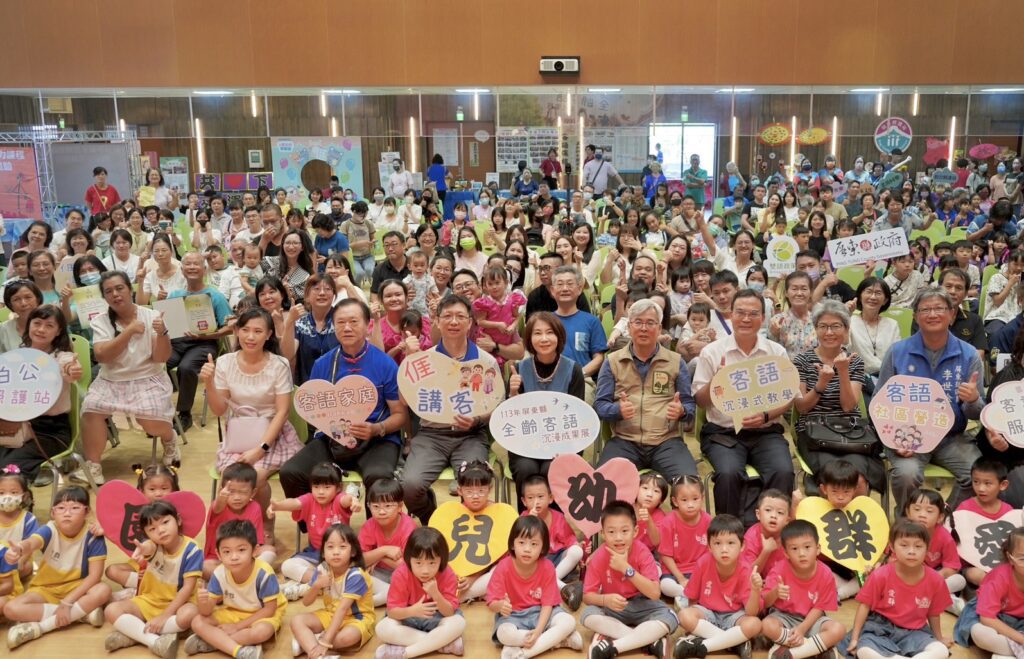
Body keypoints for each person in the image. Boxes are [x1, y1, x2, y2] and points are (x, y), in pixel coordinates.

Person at [692, 289, 796, 526]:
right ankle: (729, 533)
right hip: (724, 433)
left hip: (766, 432)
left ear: (763, 318)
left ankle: (772, 532)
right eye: (740, 313)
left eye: (753, 314)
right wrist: (716, 383)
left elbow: (789, 395)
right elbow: (700, 400)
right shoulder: (713, 352)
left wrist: (766, 415)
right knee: (728, 475)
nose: (746, 319)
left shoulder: (776, 352)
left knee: (783, 471)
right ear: (731, 315)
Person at [879, 287, 984, 511]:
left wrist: (973, 400)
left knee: (979, 474)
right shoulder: (897, 351)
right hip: (909, 437)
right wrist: (897, 440)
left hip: (951, 437)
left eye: (939, 308)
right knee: (906, 475)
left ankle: (943, 520)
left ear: (952, 314)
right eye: (925, 309)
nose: (933, 314)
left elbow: (977, 413)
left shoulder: (969, 354)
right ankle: (907, 526)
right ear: (916, 316)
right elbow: (880, 404)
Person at [400, 295, 499, 524]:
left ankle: (469, 533)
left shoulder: (485, 362)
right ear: (436, 321)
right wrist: (409, 361)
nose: (454, 322)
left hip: (470, 436)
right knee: (410, 486)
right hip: (431, 435)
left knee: (475, 485)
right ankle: (433, 520)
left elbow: (493, 406)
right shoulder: (423, 359)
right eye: (447, 316)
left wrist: (475, 420)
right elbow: (405, 402)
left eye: (460, 316)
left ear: (470, 322)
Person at [79, 271, 176, 485]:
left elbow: (161, 357)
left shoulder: (151, 316)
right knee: (91, 409)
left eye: (119, 288)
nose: (115, 294)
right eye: (108, 291)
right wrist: (129, 331)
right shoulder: (100, 321)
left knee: (151, 422)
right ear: (104, 297)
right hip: (111, 380)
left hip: (148, 378)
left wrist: (162, 334)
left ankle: (170, 439)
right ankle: (94, 465)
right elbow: (102, 356)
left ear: (130, 289)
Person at [595, 299, 697, 482]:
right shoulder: (612, 361)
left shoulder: (675, 361)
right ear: (629, 326)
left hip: (666, 442)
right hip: (625, 441)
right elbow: (600, 406)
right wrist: (617, 410)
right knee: (603, 485)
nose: (644, 328)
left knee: (689, 484)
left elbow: (689, 405)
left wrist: (682, 411)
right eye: (638, 322)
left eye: (650, 323)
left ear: (659, 328)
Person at [793, 300, 885, 494]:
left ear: (846, 329)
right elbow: (801, 407)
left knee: (858, 479)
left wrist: (842, 371)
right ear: (815, 329)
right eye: (823, 326)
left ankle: (858, 524)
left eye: (836, 326)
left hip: (850, 433)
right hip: (814, 433)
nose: (829, 333)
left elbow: (848, 406)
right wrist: (821, 383)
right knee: (833, 479)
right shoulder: (801, 360)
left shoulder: (854, 361)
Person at [3, 486, 110, 650]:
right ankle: (81, 615)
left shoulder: (93, 535)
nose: (67, 513)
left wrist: (67, 602)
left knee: (103, 590)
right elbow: (32, 542)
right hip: (45, 588)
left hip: (77, 586)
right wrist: (19, 548)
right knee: (11, 609)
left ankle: (43, 627)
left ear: (87, 511)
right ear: (53, 513)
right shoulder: (50, 529)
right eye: (61, 508)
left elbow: (94, 576)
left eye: (75, 508)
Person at [101, 501, 201, 658]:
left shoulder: (192, 549)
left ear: (178, 520)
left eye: (165, 522)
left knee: (191, 614)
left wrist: (165, 615)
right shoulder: (152, 544)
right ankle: (154, 640)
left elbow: (187, 588)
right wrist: (144, 548)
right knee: (111, 610)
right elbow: (149, 547)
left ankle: (134, 635)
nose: (160, 531)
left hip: (179, 603)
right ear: (147, 534)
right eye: (152, 529)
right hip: (149, 600)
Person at [580, 500, 677, 659]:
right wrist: (605, 600)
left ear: (635, 531)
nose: (618, 538)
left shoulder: (642, 551)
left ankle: (615, 645)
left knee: (670, 616)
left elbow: (654, 594)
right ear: (603, 533)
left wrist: (626, 569)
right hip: (613, 607)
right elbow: (587, 596)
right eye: (611, 532)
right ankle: (647, 641)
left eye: (625, 531)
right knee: (588, 616)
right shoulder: (598, 556)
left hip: (642, 603)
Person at [844, 520, 952, 659]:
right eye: (904, 545)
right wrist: (854, 639)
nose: (912, 551)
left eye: (918, 546)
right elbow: (864, 606)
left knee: (940, 650)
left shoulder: (935, 580)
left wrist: (939, 638)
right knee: (864, 650)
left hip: (915, 631)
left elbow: (933, 613)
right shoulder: (880, 575)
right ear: (892, 547)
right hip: (880, 628)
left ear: (927, 548)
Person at [506, 312, 585, 500]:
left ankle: (556, 524)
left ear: (559, 336)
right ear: (529, 339)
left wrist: (567, 449)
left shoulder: (573, 370)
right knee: (527, 469)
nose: (544, 339)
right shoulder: (518, 369)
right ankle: (526, 524)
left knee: (554, 468)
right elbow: (509, 419)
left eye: (549, 333)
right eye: (537, 333)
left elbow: (578, 417)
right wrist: (513, 394)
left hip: (563, 441)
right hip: (525, 443)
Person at [0, 306, 81, 482]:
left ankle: (17, 504)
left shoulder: (62, 357)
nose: (41, 329)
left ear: (59, 331)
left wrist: (72, 371)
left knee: (8, 470)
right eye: (37, 323)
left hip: (51, 432)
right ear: (29, 325)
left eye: (49, 325)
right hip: (16, 426)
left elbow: (70, 371)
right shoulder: (17, 357)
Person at [186, 519, 285, 659]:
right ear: (219, 554)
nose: (234, 557)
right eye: (226, 552)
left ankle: (213, 642)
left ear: (255, 550)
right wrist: (202, 602)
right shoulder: (219, 573)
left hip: (261, 613)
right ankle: (240, 652)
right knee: (197, 621)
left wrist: (238, 626)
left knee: (261, 632)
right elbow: (206, 611)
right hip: (233, 612)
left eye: (241, 550)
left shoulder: (264, 573)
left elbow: (269, 610)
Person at [486, 517, 580, 659]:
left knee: (568, 621)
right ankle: (558, 640)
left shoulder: (547, 567)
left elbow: (548, 605)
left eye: (534, 544)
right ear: (512, 544)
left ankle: (522, 653)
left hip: (542, 613)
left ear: (543, 547)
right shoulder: (503, 567)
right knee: (504, 634)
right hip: (514, 616)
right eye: (521, 543)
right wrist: (500, 606)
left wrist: (538, 631)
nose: (527, 549)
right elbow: (492, 603)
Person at [673, 514, 763, 659]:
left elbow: (751, 613)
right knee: (684, 615)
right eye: (717, 543)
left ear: (742, 546)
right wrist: (693, 624)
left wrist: (755, 590)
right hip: (708, 613)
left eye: (731, 543)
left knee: (755, 624)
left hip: (734, 617)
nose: (724, 549)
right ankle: (735, 643)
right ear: (709, 546)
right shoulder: (703, 563)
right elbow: (692, 599)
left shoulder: (746, 569)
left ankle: (702, 645)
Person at [166, 252, 234, 432]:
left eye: (196, 264)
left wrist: (206, 336)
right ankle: (160, 412)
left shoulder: (215, 295)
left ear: (204, 269)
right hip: (177, 343)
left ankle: (184, 413)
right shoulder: (174, 294)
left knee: (186, 368)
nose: (192, 267)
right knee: (157, 364)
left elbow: (230, 327)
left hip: (204, 343)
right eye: (188, 264)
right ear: (182, 270)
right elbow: (167, 323)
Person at [373, 526, 466, 659]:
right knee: (382, 628)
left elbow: (449, 612)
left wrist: (436, 594)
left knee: (458, 623)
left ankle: (405, 653)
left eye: (432, 563)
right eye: (418, 563)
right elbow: (393, 612)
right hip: (408, 618)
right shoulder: (401, 574)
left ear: (442, 560)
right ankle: (443, 644)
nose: (425, 570)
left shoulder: (447, 573)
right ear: (408, 559)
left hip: (437, 617)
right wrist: (413, 611)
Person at [761, 520, 846, 659]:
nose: (801, 553)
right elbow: (765, 602)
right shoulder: (779, 569)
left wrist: (802, 629)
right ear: (786, 553)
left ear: (818, 548)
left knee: (838, 630)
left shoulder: (825, 573)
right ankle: (814, 648)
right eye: (794, 549)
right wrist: (775, 592)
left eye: (807, 547)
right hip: (784, 617)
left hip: (812, 619)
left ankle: (791, 652)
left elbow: (819, 608)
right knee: (766, 625)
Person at [289, 523, 376, 656]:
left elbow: (342, 609)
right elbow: (306, 602)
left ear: (353, 552)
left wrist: (325, 642)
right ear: (323, 553)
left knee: (347, 637)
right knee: (297, 620)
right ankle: (317, 652)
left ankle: (309, 643)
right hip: (330, 614)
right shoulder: (322, 569)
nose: (336, 552)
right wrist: (317, 585)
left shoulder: (356, 574)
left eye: (342, 547)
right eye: (330, 547)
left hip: (357, 618)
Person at [202, 462, 275, 578]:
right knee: (205, 567)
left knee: (269, 551)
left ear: (253, 492)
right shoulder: (219, 506)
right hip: (218, 558)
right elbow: (217, 508)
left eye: (243, 492)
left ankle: (236, 577)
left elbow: (256, 542)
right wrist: (221, 498)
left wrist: (245, 558)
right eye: (231, 492)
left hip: (245, 557)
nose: (237, 497)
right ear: (222, 491)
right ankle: (245, 577)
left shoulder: (255, 507)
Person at [656, 476, 711, 607]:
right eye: (684, 500)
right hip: (673, 571)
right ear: (675, 501)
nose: (690, 505)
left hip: (698, 569)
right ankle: (688, 594)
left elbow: (711, 551)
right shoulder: (668, 522)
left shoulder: (708, 520)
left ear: (702, 498)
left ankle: (689, 596)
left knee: (712, 581)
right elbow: (665, 555)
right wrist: (680, 578)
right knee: (665, 586)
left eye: (695, 499)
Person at [371, 231, 410, 299]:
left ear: (403, 245)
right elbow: (374, 294)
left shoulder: (415, 265)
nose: (390, 249)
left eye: (394, 244)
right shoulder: (379, 270)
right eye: (386, 245)